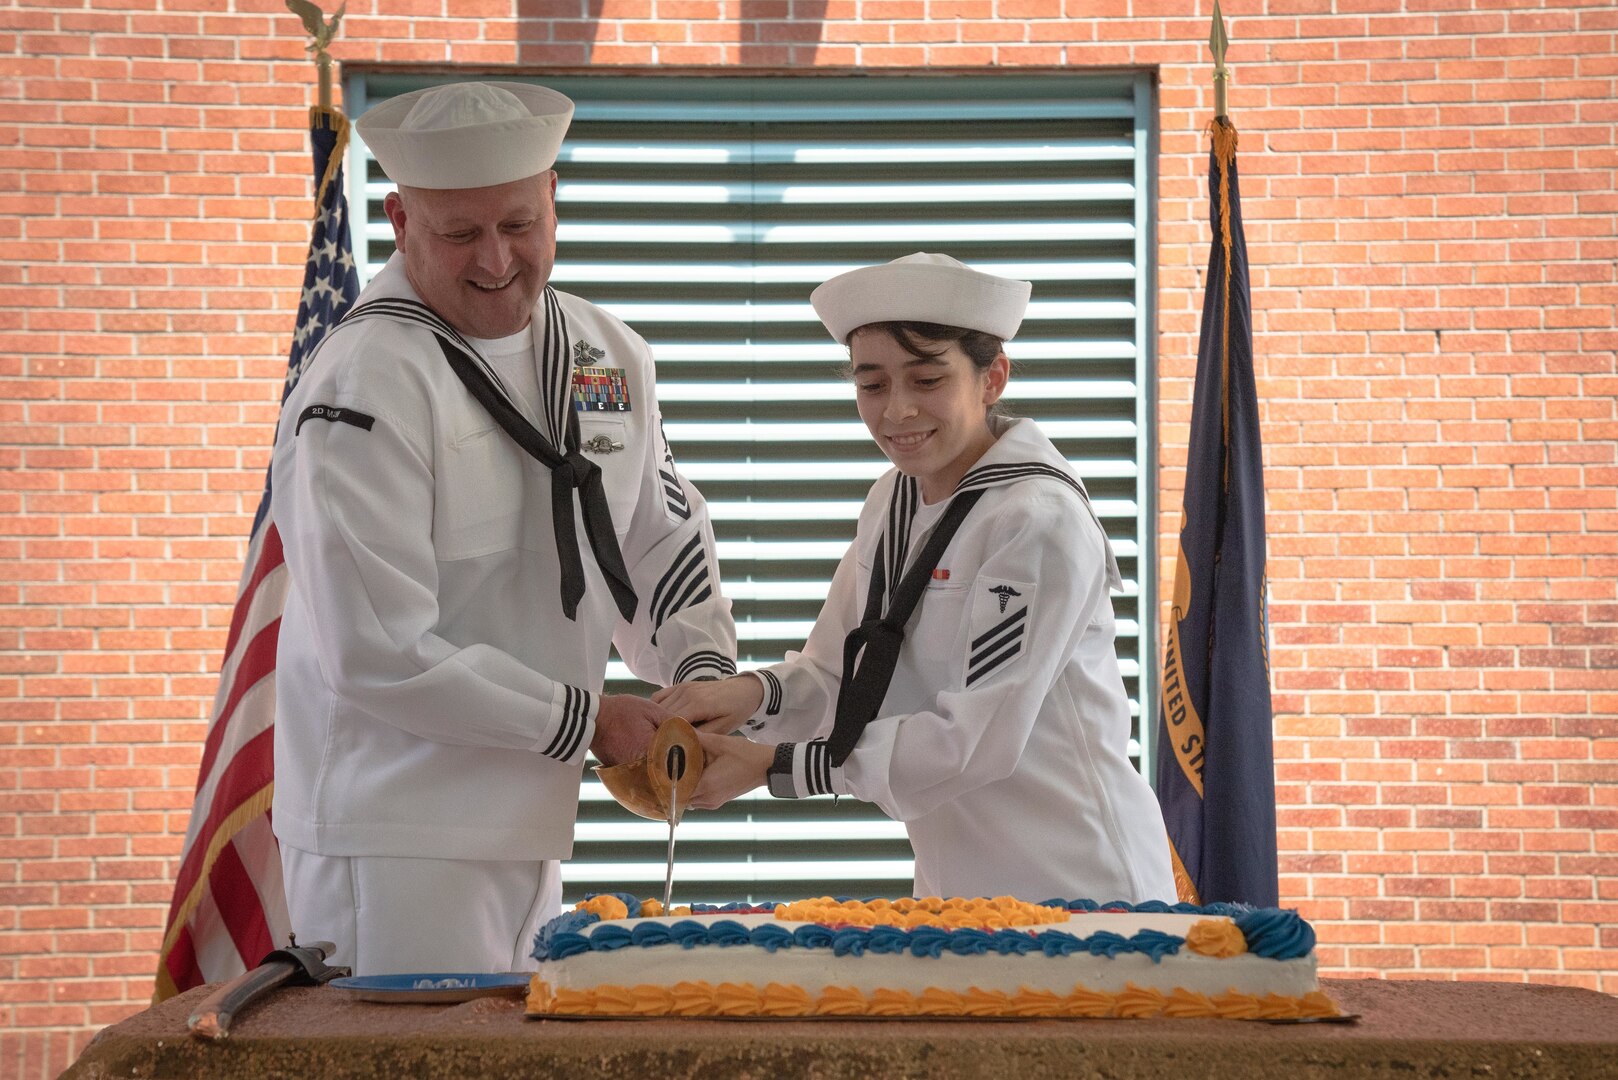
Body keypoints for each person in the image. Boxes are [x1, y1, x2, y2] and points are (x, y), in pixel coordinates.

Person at [270, 82, 736, 975]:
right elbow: (379, 649)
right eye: (461, 234)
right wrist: (587, 721)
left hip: (531, 814)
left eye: (520, 226)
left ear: (553, 196)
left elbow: (660, 538)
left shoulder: (607, 353)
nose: (496, 260)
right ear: (400, 220)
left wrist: (700, 672)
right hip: (396, 828)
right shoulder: (364, 382)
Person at [656, 253, 1173, 904]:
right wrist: (750, 696)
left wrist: (778, 766)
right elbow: (835, 676)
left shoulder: (1036, 521)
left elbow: (974, 740)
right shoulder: (893, 501)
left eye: (927, 380)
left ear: (993, 379)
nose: (897, 411)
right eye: (872, 386)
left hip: (1083, 888)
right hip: (956, 892)